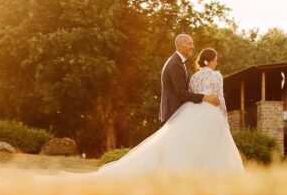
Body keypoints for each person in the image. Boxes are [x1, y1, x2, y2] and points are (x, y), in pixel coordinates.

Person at [65, 39, 244, 178]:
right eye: (189, 43)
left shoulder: (195, 76)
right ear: (212, 61)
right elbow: (219, 99)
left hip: (191, 112)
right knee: (208, 145)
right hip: (208, 113)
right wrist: (224, 119)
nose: (191, 46)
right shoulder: (212, 75)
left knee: (187, 145)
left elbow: (190, 92)